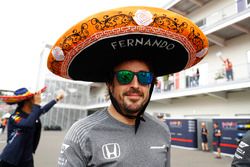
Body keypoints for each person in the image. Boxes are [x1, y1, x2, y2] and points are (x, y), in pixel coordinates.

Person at [47, 6, 208, 167]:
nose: (135, 85)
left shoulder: (162, 131)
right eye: (125, 77)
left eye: (144, 77)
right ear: (110, 84)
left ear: (151, 84)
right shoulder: (81, 133)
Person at [0, 87, 64, 167]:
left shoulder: (32, 115)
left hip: (26, 158)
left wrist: (57, 99)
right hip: (11, 159)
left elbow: (44, 109)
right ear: (27, 101)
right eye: (32, 98)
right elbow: (27, 124)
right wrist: (36, 105)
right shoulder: (15, 117)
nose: (35, 99)